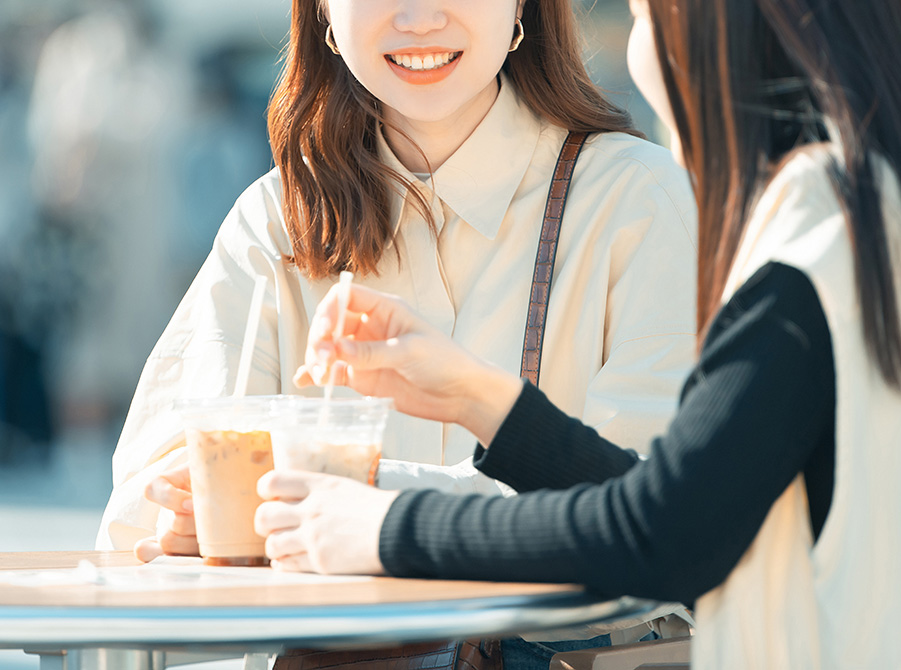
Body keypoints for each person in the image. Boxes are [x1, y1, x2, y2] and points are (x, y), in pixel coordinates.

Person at [257, 0, 901, 667]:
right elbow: (687, 501)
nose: (639, 55)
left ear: (719, 31)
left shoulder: (812, 245)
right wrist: (479, 398)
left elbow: (662, 537)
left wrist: (390, 527)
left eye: (647, 18)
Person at [97, 0, 698, 662]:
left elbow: (660, 517)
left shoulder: (637, 202)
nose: (418, 18)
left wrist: (350, 513)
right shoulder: (273, 225)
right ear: (323, 11)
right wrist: (196, 525)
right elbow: (136, 524)